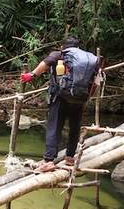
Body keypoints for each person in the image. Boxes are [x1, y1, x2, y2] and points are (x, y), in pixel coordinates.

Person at [21, 38, 99, 172]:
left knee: (54, 127)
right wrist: (87, 96)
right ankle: (70, 158)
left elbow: (45, 64)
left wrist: (31, 75)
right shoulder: (89, 59)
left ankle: (49, 160)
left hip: (59, 97)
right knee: (74, 128)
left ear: (63, 46)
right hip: (80, 97)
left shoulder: (60, 54)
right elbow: (97, 80)